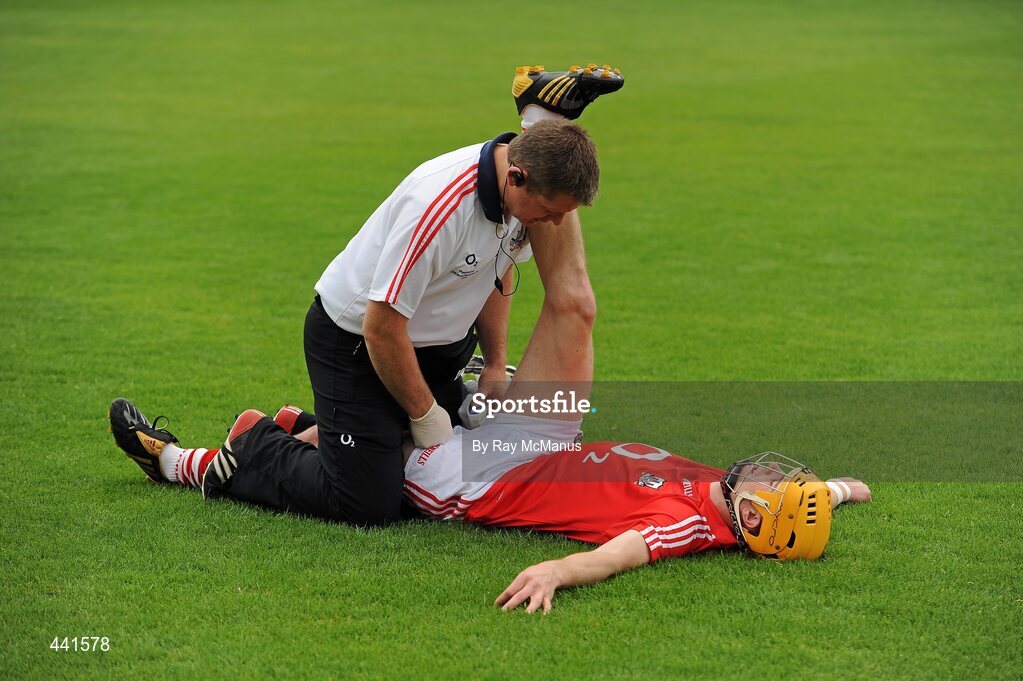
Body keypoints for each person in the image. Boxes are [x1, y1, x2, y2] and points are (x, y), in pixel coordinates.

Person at [109, 131, 870, 613]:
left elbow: (617, 554)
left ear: (754, 523)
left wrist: (555, 575)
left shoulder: (690, 522)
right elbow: (383, 323)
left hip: (481, 476)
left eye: (779, 490)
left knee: (368, 499)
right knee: (573, 306)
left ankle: (219, 456)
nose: (773, 475)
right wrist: (836, 491)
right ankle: (314, 429)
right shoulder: (727, 493)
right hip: (521, 425)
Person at [109, 65, 624, 528]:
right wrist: (425, 415)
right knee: (368, 503)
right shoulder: (439, 205)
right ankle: (252, 442)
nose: (555, 225)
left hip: (432, 350)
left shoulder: (520, 198)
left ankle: (314, 430)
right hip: (357, 346)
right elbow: (381, 326)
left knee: (422, 458)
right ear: (515, 175)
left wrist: (495, 364)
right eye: (551, 211)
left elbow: (494, 273)